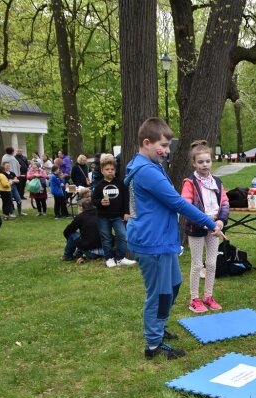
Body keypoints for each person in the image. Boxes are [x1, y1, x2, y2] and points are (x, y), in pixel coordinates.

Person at [125, 117, 220, 360]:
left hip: (161, 240)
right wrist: (209, 223)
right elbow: (177, 202)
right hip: (151, 241)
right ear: (146, 143)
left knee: (174, 284)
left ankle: (159, 326)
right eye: (164, 146)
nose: (167, 151)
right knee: (158, 293)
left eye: (168, 147)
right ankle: (153, 344)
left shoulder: (150, 165)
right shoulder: (146, 171)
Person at [181, 140, 230, 313]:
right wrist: (205, 222)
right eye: (200, 162)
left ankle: (208, 296)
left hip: (215, 228)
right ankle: (194, 298)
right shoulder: (190, 183)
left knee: (211, 263)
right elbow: (186, 206)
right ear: (194, 163)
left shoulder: (217, 182)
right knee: (197, 265)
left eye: (207, 161)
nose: (204, 165)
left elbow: (224, 202)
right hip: (196, 228)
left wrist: (221, 221)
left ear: (211, 161)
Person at [92, 154, 134, 267]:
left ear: (115, 170)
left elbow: (126, 198)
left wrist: (126, 212)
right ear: (102, 170)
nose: (110, 171)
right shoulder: (99, 185)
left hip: (118, 216)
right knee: (106, 237)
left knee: (123, 236)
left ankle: (120, 257)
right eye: (107, 169)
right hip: (103, 216)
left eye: (112, 169)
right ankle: (109, 258)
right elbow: (94, 200)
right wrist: (100, 202)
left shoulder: (120, 183)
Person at [61, 197, 103, 262]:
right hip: (105, 251)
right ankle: (78, 254)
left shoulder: (80, 217)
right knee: (87, 236)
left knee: (73, 234)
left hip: (90, 253)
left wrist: (69, 240)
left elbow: (67, 231)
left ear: (81, 207)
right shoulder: (101, 214)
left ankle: (67, 256)